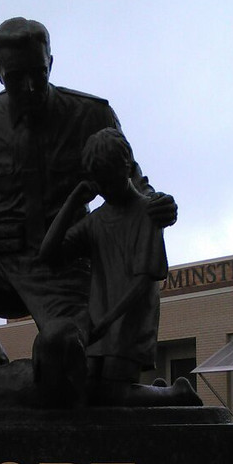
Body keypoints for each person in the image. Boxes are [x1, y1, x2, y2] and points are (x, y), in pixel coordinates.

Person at [0, 17, 176, 391]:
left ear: (51, 63)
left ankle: (44, 381)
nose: (30, 86)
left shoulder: (91, 115)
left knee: (63, 347)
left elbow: (130, 178)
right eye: (16, 76)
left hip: (65, 273)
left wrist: (155, 204)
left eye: (38, 73)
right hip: (1, 268)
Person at [39, 128, 200, 407]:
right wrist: (73, 201)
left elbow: (143, 283)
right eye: (97, 181)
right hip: (100, 323)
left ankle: (177, 393)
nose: (102, 188)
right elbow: (48, 255)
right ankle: (157, 393)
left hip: (129, 320)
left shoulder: (147, 213)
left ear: (125, 167)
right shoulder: (96, 221)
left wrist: (105, 321)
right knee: (87, 392)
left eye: (107, 178)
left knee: (112, 395)